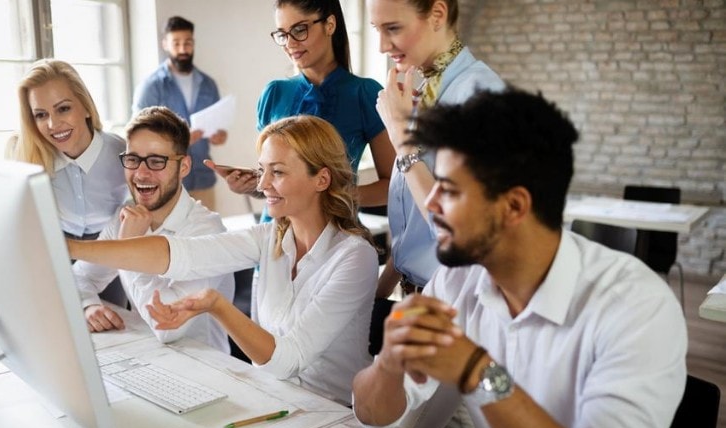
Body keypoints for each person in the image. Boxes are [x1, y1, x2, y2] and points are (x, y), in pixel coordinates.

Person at [352, 88, 688, 428]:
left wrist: (480, 373)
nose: (432, 203)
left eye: (451, 191)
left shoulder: (636, 305)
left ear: (514, 207)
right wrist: (387, 364)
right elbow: (372, 418)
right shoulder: (459, 279)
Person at [68, 115, 379, 406]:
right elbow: (181, 254)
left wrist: (216, 305)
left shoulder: (354, 256)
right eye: (262, 170)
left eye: (278, 172)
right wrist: (70, 248)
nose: (262, 184)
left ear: (321, 179)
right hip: (274, 401)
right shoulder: (268, 237)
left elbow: (289, 361)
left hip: (335, 414)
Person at [368, 0, 504, 298]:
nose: (380, 46)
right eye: (375, 29)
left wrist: (401, 137)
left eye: (393, 28)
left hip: (454, 305)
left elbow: (456, 228)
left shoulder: (481, 97)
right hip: (411, 294)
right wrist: (376, 299)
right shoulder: (423, 93)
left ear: (438, 14)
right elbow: (415, 229)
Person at [71, 106, 234, 352]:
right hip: (146, 356)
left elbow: (167, 326)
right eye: (133, 159)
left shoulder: (206, 232)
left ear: (184, 167)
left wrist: (129, 248)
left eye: (157, 161)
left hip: (205, 368)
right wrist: (88, 306)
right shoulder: (126, 217)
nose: (141, 173)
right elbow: (79, 277)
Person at [217, 0, 395, 210]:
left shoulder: (365, 94)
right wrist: (250, 185)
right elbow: (273, 183)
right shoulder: (274, 93)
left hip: (335, 232)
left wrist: (333, 196)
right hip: (276, 233)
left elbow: (392, 186)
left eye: (299, 30)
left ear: (329, 24)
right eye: (282, 34)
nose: (290, 44)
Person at [11, 58, 129, 240]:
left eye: (63, 109)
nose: (53, 124)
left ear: (86, 108)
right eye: (41, 115)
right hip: (57, 246)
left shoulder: (123, 153)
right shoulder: (29, 156)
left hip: (112, 245)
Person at [132, 15, 227, 212]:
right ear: (165, 44)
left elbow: (218, 125)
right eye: (177, 43)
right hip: (166, 183)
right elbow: (138, 135)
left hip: (203, 179)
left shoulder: (208, 84)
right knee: (170, 242)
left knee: (206, 240)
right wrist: (182, 139)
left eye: (188, 43)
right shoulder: (151, 87)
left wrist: (220, 136)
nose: (183, 49)